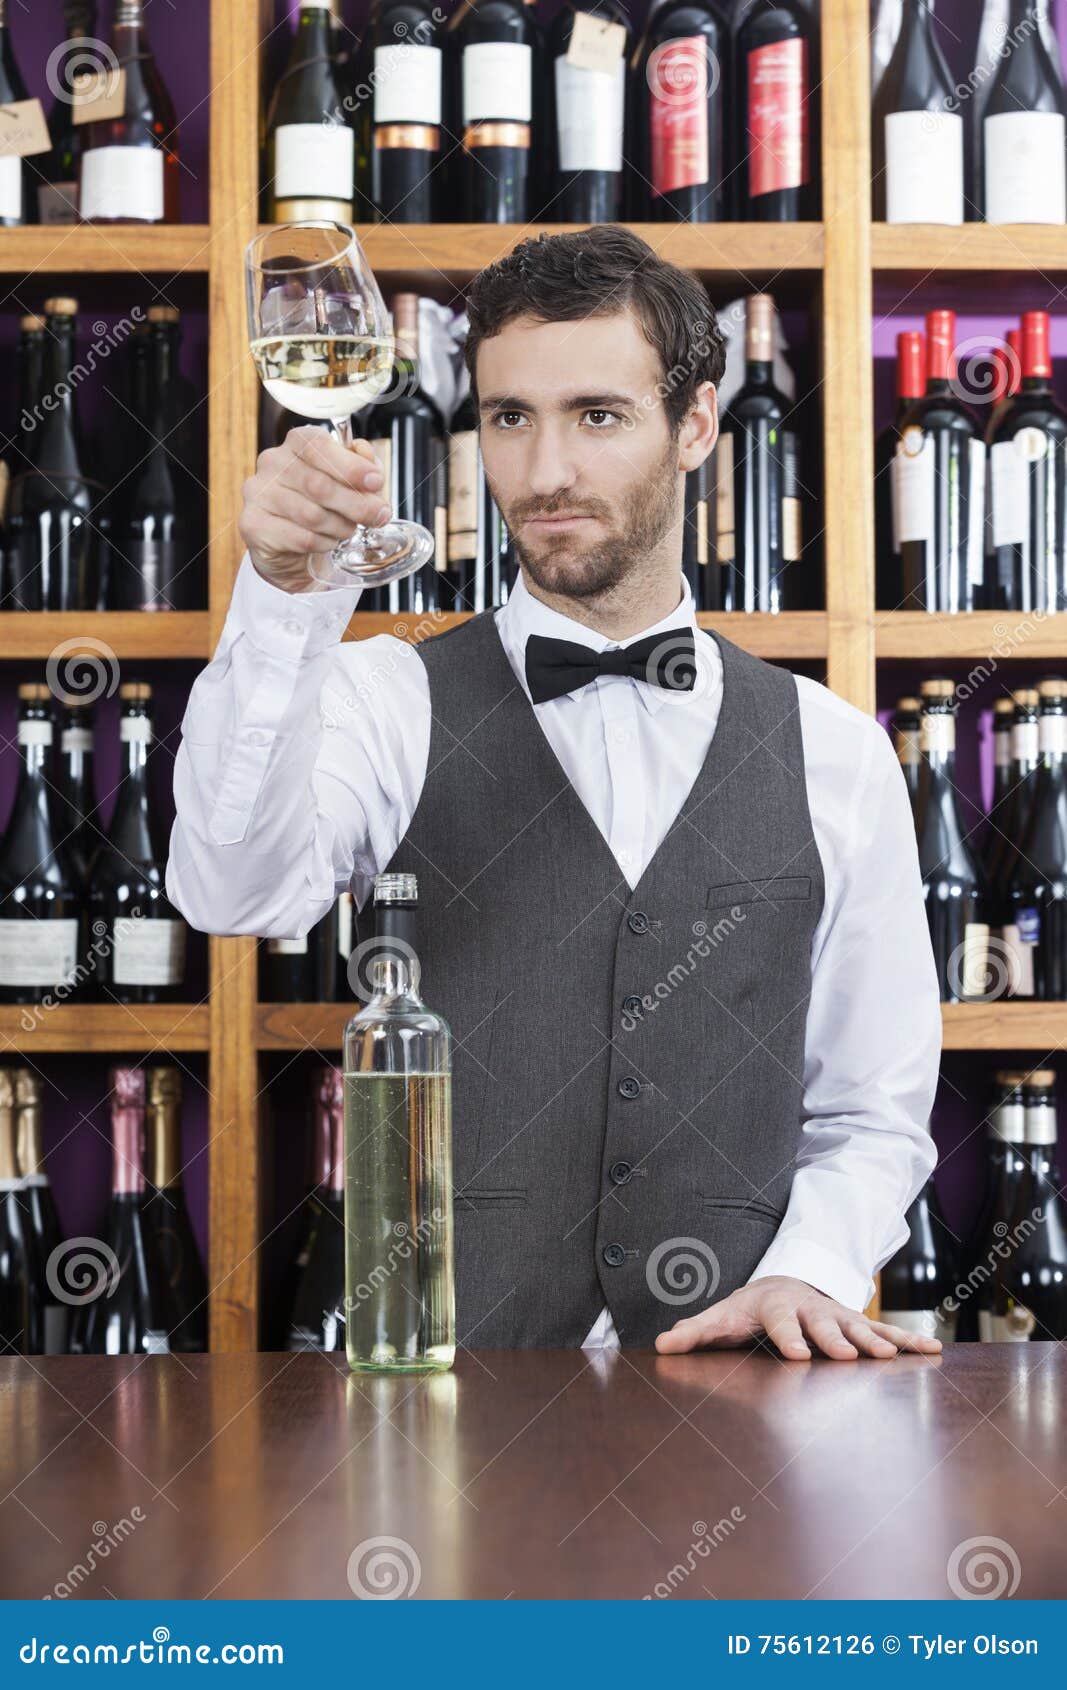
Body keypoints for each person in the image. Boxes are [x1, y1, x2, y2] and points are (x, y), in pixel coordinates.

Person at [167, 224, 943, 1362]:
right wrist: (283, 601)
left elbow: (871, 1108)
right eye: (507, 418)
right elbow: (232, 891)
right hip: (444, 1400)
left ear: (693, 426)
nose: (543, 475)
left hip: (731, 1404)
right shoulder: (388, 696)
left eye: (596, 414)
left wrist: (808, 1269)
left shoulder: (834, 750)